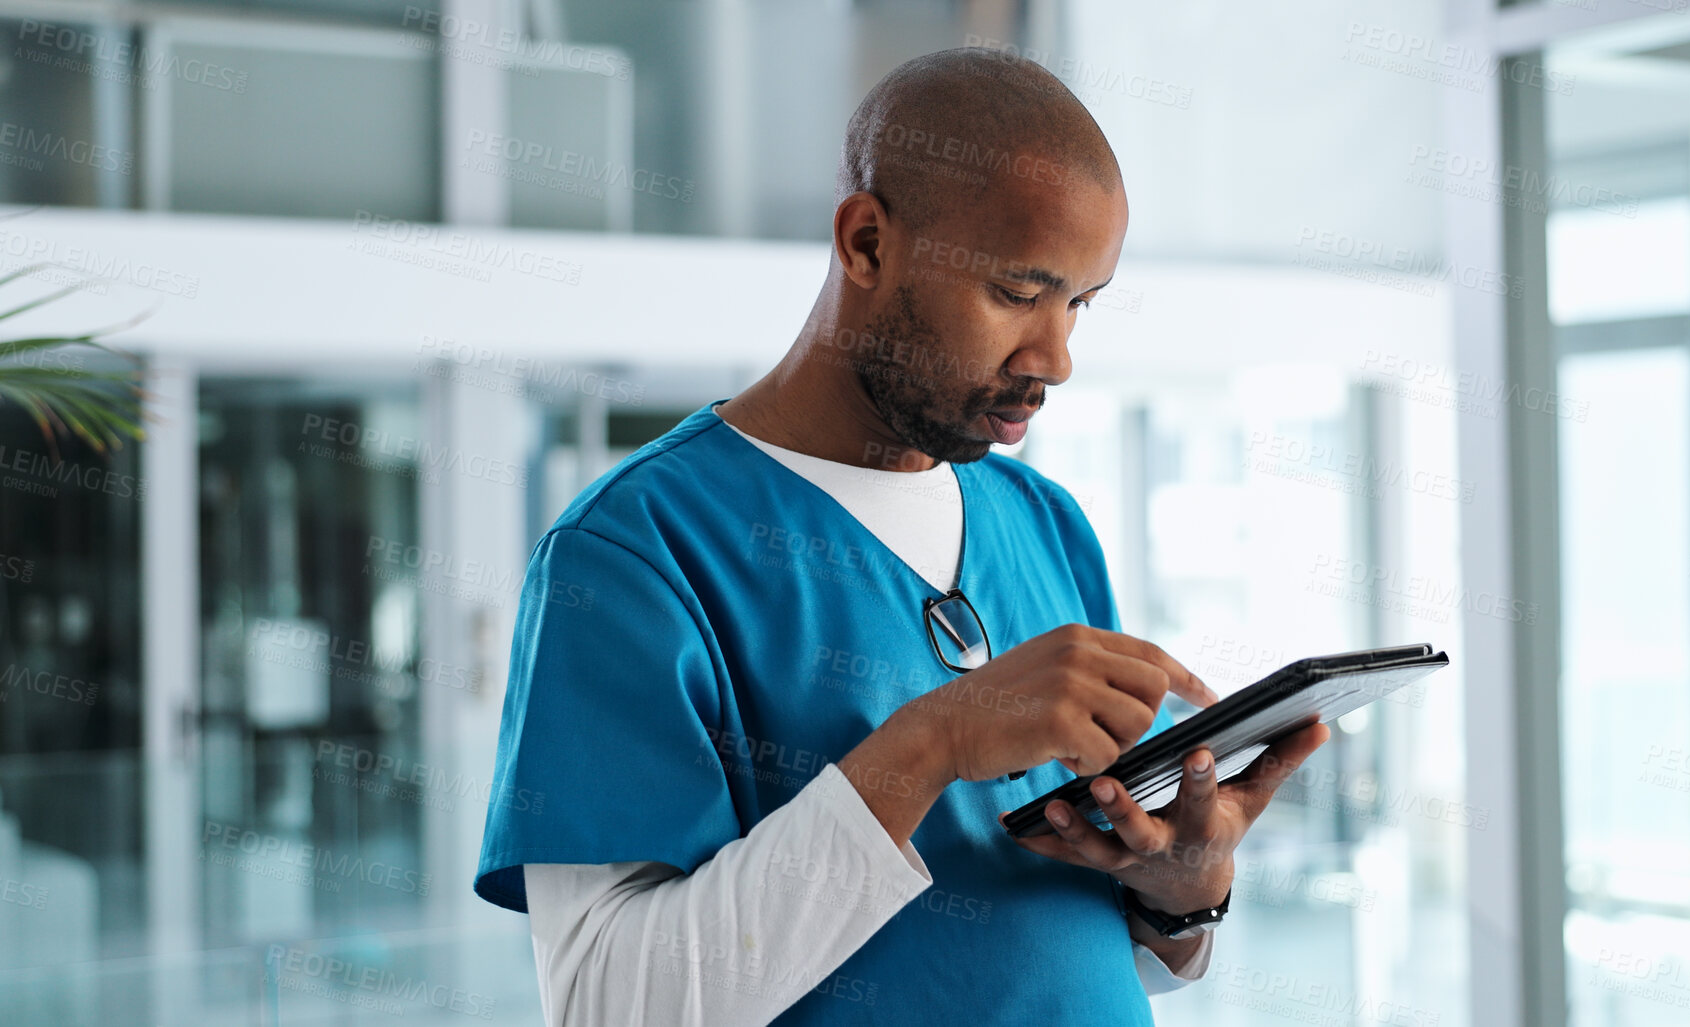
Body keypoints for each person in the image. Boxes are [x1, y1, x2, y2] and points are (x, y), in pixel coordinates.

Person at [473, 45, 1332, 1026]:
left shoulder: (1044, 522)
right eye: (1016, 292)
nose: (1053, 357)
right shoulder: (634, 552)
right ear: (868, 244)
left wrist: (1183, 889)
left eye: (1078, 304)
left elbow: (1050, 943)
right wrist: (936, 740)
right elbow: (607, 1006)